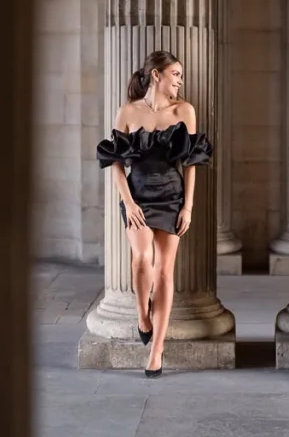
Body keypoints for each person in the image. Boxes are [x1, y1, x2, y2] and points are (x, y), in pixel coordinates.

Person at [96, 50, 212, 378]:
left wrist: (188, 206)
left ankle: (157, 349)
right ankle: (142, 317)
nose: (180, 80)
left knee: (164, 272)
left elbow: (191, 164)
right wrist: (129, 202)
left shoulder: (184, 111)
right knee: (141, 257)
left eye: (181, 75)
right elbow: (114, 162)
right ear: (157, 75)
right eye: (176, 74)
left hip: (172, 196)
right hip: (138, 195)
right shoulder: (128, 112)